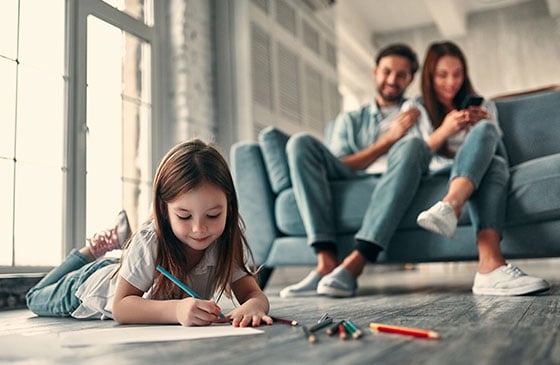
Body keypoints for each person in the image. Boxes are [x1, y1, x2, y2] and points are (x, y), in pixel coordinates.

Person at [27, 139, 273, 327]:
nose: (199, 228)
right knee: (33, 297)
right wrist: (177, 311)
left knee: (130, 262)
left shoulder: (224, 241)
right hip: (87, 289)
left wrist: (253, 306)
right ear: (164, 211)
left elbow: (253, 293)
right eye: (184, 216)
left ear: (229, 206)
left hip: (126, 269)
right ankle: (88, 253)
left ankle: (117, 251)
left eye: (213, 215)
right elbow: (121, 307)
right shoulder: (150, 240)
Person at [280, 44, 432, 298]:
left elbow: (430, 153)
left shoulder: (419, 113)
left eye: (401, 75)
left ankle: (355, 264)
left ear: (410, 79)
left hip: (397, 177)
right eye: (387, 71)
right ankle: (326, 261)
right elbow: (342, 165)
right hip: (353, 176)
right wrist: (388, 140)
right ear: (375, 72)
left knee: (414, 145)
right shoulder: (351, 120)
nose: (392, 80)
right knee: (300, 143)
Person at [413, 41, 549, 295]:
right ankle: (489, 267)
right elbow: (413, 157)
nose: (451, 82)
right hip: (439, 170)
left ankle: (450, 205)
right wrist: (445, 130)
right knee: (493, 164)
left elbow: (500, 153)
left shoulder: (484, 105)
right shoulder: (417, 109)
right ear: (429, 77)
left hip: (483, 167)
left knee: (491, 143)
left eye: (457, 74)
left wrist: (477, 131)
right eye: (442, 75)